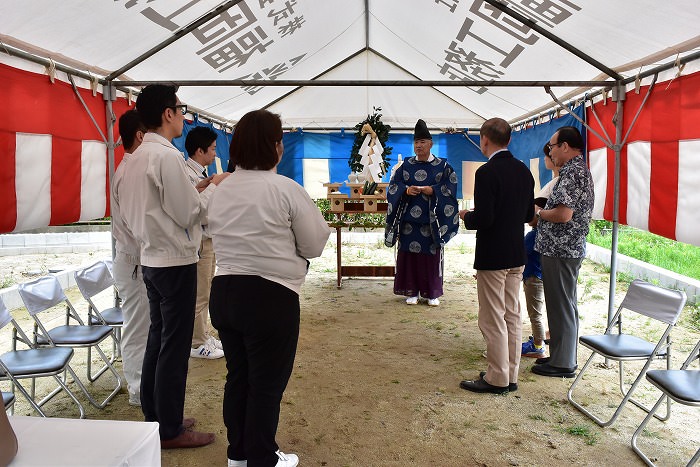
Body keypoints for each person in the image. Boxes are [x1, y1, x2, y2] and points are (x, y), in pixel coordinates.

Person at [208, 109, 330, 467]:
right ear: (276, 147)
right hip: (270, 296)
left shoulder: (221, 189)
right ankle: (263, 456)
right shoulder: (285, 189)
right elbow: (314, 245)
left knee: (239, 376)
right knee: (265, 384)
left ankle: (239, 454)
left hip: (225, 292)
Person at [117, 84, 229, 448]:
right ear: (168, 114)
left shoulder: (134, 159)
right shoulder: (164, 157)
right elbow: (188, 212)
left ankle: (157, 416)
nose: (183, 117)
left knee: (158, 341)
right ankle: (169, 428)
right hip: (173, 260)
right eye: (181, 110)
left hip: (151, 258)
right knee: (173, 347)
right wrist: (213, 189)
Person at [458, 117, 534, 394]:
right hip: (516, 251)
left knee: (492, 317)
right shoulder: (524, 171)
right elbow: (529, 215)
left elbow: (485, 218)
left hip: (493, 254)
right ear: (510, 139)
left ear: (484, 140)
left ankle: (497, 377)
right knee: (512, 315)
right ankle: (510, 374)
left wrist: (467, 215)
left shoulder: (486, 173)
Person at [532, 126, 594, 378]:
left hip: (562, 249)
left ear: (565, 147)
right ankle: (559, 356)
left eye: (552, 147)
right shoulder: (574, 171)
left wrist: (539, 214)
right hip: (562, 248)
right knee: (561, 305)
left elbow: (563, 214)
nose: (551, 152)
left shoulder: (572, 174)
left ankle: (564, 362)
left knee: (562, 306)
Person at [385, 119, 460, 307]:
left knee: (430, 259)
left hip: (431, 223)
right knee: (409, 258)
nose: (419, 146)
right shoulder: (406, 166)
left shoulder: (443, 166)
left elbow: (450, 188)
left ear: (431, 144)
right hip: (409, 222)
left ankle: (432, 293)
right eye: (416, 142)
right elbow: (393, 186)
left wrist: (433, 190)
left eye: (422, 142)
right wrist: (405, 190)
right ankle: (412, 292)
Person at [111, 109, 150, 406]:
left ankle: (142, 386)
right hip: (133, 261)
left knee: (142, 327)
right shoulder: (129, 173)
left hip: (135, 260)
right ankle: (137, 389)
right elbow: (138, 225)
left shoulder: (129, 169)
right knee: (137, 329)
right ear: (140, 135)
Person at [184, 126, 224, 360]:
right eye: (212, 149)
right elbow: (199, 211)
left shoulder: (200, 173)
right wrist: (214, 186)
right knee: (200, 292)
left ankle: (203, 333)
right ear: (200, 150)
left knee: (206, 290)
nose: (215, 154)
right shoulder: (187, 174)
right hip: (199, 239)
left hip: (208, 239)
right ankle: (197, 341)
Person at [521, 145, 560, 358]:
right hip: (535, 264)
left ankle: (538, 346)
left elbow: (535, 214)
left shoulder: (556, 184)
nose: (549, 156)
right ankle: (541, 338)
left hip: (536, 268)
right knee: (538, 308)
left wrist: (536, 213)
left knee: (535, 310)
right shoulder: (555, 182)